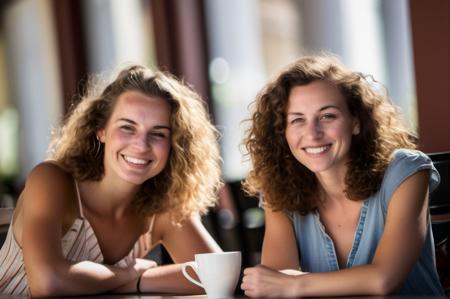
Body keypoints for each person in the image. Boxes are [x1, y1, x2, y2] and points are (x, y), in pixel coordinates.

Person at [0, 65, 223, 296]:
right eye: (127, 127)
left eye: (158, 133)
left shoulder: (162, 206)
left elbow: (218, 274)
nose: (141, 145)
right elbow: (48, 282)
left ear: (174, 144)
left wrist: (137, 281)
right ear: (101, 130)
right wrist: (127, 274)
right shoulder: (52, 181)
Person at [240, 54, 444, 297]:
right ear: (282, 132)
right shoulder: (280, 189)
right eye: (297, 120)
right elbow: (274, 285)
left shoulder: (406, 171)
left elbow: (384, 280)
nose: (313, 134)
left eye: (327, 116)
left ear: (356, 121)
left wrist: (294, 285)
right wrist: (282, 285)